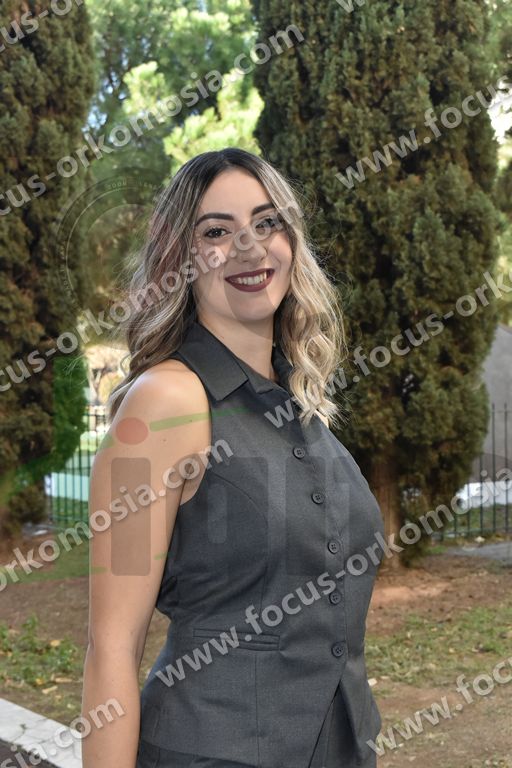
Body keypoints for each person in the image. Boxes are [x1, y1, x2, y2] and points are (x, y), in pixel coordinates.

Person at [81, 147, 385, 768]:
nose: (249, 247)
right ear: (181, 260)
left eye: (267, 223)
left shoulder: (299, 405)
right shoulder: (162, 403)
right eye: (217, 232)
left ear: (291, 242)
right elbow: (111, 645)